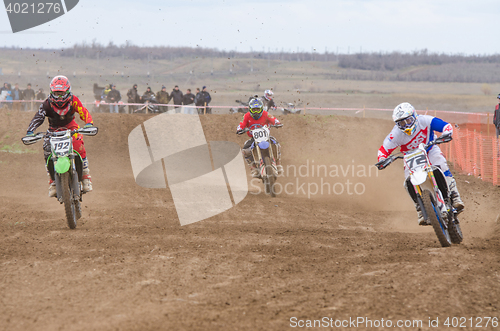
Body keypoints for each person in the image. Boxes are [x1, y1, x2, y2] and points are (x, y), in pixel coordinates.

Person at [377, 102, 464, 225]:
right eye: (401, 123)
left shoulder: (425, 120)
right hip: (410, 156)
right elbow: (383, 149)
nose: (406, 125)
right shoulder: (395, 133)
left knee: (441, 164)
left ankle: (455, 196)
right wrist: (382, 159)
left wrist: (446, 133)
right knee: (408, 181)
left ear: (414, 116)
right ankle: (420, 209)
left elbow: (446, 126)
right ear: (397, 124)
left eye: (408, 120)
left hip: (429, 149)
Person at [25, 75, 95, 198]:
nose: (59, 97)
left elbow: (83, 111)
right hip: (53, 130)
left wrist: (89, 123)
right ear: (51, 92)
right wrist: (30, 131)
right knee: (47, 150)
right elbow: (38, 117)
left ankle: (85, 177)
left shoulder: (73, 100)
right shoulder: (47, 104)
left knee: (78, 143)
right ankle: (52, 182)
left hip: (71, 127)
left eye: (62, 94)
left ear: (68, 91)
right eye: (56, 93)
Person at [236, 98, 283, 178]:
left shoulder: (265, 114)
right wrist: (240, 129)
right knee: (245, 151)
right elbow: (241, 124)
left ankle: (278, 164)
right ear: (250, 109)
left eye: (258, 109)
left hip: (266, 137)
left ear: (261, 109)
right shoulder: (246, 116)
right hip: (254, 138)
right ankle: (253, 168)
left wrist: (277, 123)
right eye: (254, 110)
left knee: (277, 144)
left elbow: (274, 119)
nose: (256, 112)